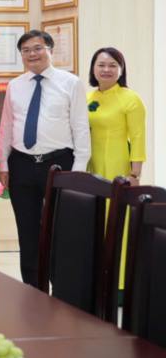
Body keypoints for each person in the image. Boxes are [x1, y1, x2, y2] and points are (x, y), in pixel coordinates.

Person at [0, 30, 90, 285]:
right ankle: (33, 291)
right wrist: (3, 163)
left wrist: (78, 171)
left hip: (60, 164)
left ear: (50, 50)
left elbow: (80, 128)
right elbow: (6, 127)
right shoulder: (16, 85)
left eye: (37, 48)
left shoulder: (70, 83)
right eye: (25, 50)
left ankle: (62, 290)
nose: (31, 54)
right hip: (22, 164)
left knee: (61, 231)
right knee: (27, 233)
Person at [86, 47, 146, 291]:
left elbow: (139, 138)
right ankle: (97, 281)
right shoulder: (89, 98)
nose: (106, 70)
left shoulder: (130, 99)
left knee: (116, 221)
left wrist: (135, 175)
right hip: (91, 167)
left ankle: (119, 286)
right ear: (93, 69)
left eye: (112, 65)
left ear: (121, 70)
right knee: (94, 222)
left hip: (118, 167)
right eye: (101, 64)